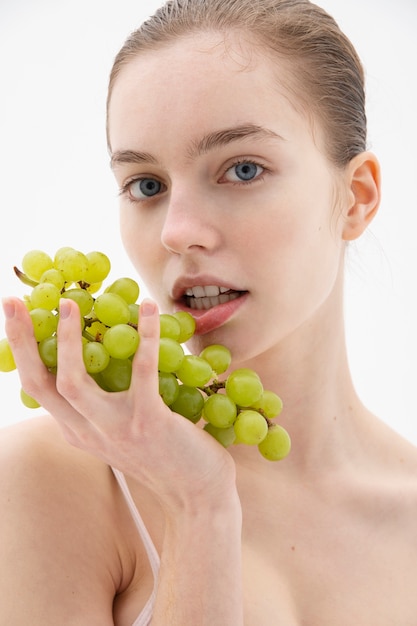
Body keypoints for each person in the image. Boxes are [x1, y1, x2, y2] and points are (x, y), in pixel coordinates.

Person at [1, 0, 416, 624]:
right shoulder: (54, 482)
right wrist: (200, 506)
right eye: (146, 184)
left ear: (355, 199)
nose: (177, 232)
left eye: (242, 169)